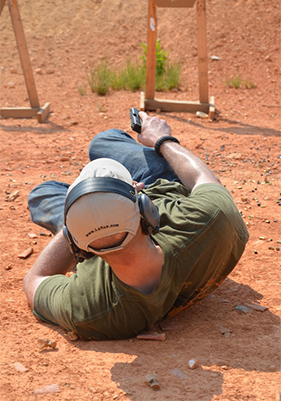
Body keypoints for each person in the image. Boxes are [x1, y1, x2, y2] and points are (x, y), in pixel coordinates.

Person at [23, 112, 249, 341]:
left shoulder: (90, 309)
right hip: (165, 187)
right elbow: (203, 179)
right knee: (104, 142)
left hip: (97, 228)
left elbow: (34, 280)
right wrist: (162, 140)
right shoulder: (211, 219)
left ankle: (90, 197)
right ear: (148, 210)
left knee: (45, 190)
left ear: (77, 246)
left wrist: (80, 217)